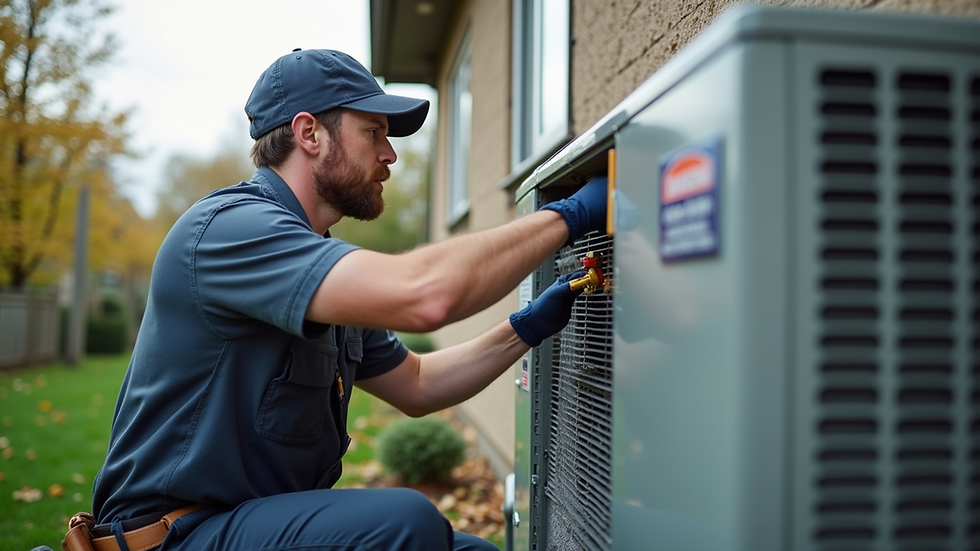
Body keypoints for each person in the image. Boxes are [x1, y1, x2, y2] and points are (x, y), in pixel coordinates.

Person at [78, 49, 607, 551]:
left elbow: (417, 385)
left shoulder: (316, 264)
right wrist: (569, 216)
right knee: (408, 524)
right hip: (176, 535)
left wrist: (525, 329)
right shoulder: (228, 230)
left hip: (245, 525)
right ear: (309, 133)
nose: (390, 153)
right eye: (373, 132)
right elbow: (424, 294)